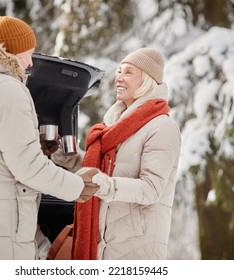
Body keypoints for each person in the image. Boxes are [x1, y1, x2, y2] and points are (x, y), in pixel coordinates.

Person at [0, 16, 99, 260]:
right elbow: (27, 167)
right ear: (12, 50)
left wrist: (34, 144)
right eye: (28, 53)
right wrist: (76, 186)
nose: (29, 63)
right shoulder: (5, 88)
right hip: (2, 223)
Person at [52, 48, 181, 260]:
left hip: (136, 247)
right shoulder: (114, 125)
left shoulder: (161, 127)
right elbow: (103, 171)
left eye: (128, 72)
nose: (118, 78)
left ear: (147, 80)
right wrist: (70, 159)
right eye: (119, 71)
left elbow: (151, 189)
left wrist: (107, 185)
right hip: (104, 242)